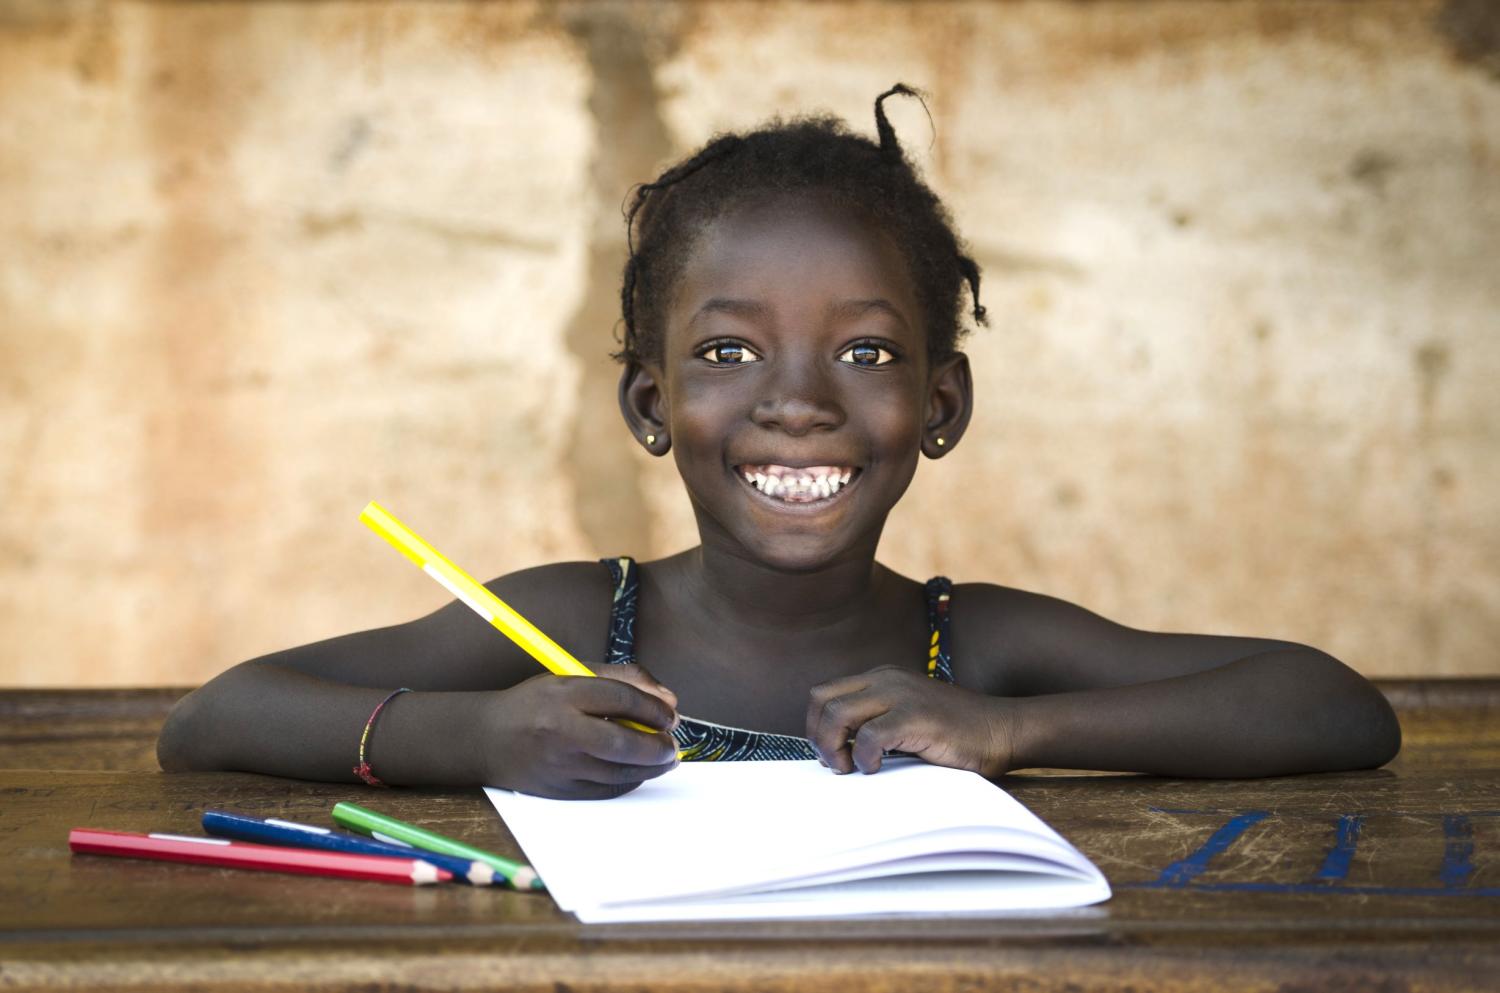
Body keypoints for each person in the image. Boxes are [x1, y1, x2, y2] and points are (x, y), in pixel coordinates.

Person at [157, 85, 1401, 799]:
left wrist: (1009, 731)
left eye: (865, 354)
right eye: (727, 352)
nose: (796, 401)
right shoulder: (581, 617)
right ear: (650, 407)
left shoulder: (972, 649)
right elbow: (218, 714)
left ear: (943, 405)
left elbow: (1337, 707)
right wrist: (479, 735)